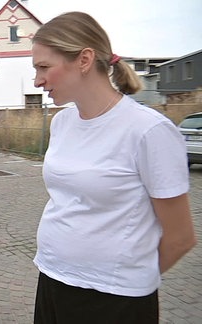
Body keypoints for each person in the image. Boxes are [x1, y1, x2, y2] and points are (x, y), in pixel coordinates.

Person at [31, 11, 196, 323]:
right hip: (53, 278)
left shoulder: (148, 130)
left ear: (84, 59)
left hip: (114, 299)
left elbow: (181, 238)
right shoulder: (62, 122)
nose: (37, 80)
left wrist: (123, 279)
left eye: (43, 67)